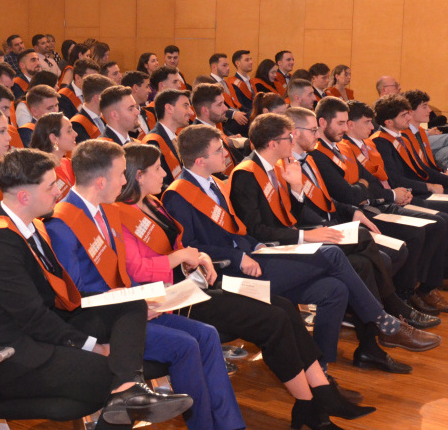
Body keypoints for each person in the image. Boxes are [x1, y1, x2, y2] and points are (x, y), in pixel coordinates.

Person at [45, 140, 285, 430]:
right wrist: (132, 305)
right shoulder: (63, 222)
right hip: (100, 322)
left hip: (128, 309)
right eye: (119, 174)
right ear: (101, 181)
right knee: (185, 345)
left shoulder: (104, 209)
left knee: (206, 335)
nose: (123, 181)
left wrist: (142, 300)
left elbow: (120, 273)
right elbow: (76, 296)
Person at [116, 143, 374, 430]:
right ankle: (308, 404)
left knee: (284, 307)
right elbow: (137, 269)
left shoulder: (154, 203)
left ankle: (323, 392)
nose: (164, 172)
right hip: (173, 300)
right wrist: (183, 258)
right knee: (273, 319)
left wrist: (194, 258)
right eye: (157, 168)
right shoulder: (123, 215)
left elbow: (180, 247)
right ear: (139, 176)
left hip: (195, 283)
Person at [0, 147, 194, 430]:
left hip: (41, 334)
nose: (60, 190)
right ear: (25, 197)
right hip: (15, 356)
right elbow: (34, 319)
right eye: (50, 186)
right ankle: (125, 395)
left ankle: (129, 387)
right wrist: (92, 345)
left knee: (128, 301)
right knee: (112, 376)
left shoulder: (31, 227)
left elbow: (54, 304)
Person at [163, 124, 426, 373]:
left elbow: (238, 231)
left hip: (256, 256)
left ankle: (320, 367)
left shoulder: (214, 183)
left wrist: (257, 246)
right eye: (219, 150)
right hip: (228, 274)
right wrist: (239, 255)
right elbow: (190, 247)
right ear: (200, 160)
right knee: (332, 253)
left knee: (335, 290)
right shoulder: (178, 194)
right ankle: (383, 320)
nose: (225, 153)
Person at [309, 98, 448, 314]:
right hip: (360, 213)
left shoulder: (341, 147)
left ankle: (421, 288)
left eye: (346, 123)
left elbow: (367, 179)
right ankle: (403, 296)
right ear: (323, 123)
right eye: (341, 123)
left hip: (376, 202)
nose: (372, 128)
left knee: (438, 224)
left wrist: (374, 191)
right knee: (417, 235)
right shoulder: (319, 153)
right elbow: (347, 194)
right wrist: (382, 194)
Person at [370, 96, 448, 286]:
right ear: (389, 122)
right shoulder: (381, 141)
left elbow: (423, 169)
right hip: (407, 195)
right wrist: (428, 186)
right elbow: (395, 180)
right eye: (404, 115)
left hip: (418, 189)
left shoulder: (400, 136)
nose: (408, 118)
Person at [143, 88, 194, 187]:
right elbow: (157, 184)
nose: (191, 112)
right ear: (169, 108)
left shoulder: (177, 138)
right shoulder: (153, 142)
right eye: (185, 106)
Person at [27, 112, 78, 197]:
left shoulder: (68, 163)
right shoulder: (39, 173)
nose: (75, 134)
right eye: (69, 131)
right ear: (54, 138)